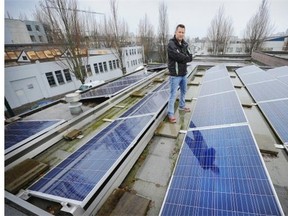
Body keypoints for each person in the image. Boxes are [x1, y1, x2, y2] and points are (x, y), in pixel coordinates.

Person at [167, 24, 193, 123]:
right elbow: (176, 56)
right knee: (173, 94)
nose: (181, 34)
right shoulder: (171, 44)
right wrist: (183, 57)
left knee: (183, 91)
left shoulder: (185, 44)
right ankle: (170, 113)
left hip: (183, 73)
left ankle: (182, 106)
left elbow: (190, 57)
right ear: (175, 32)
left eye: (183, 32)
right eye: (179, 32)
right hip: (175, 75)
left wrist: (182, 57)